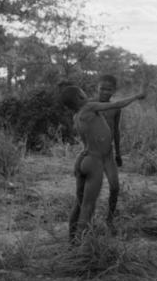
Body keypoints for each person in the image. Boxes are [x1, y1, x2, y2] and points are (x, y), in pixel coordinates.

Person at [60, 84, 146, 243]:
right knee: (88, 206)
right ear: (80, 97)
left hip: (83, 159)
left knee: (79, 204)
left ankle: (72, 240)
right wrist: (136, 96)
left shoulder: (77, 116)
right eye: (83, 91)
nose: (87, 94)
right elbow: (115, 105)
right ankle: (80, 247)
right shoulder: (89, 107)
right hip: (94, 161)